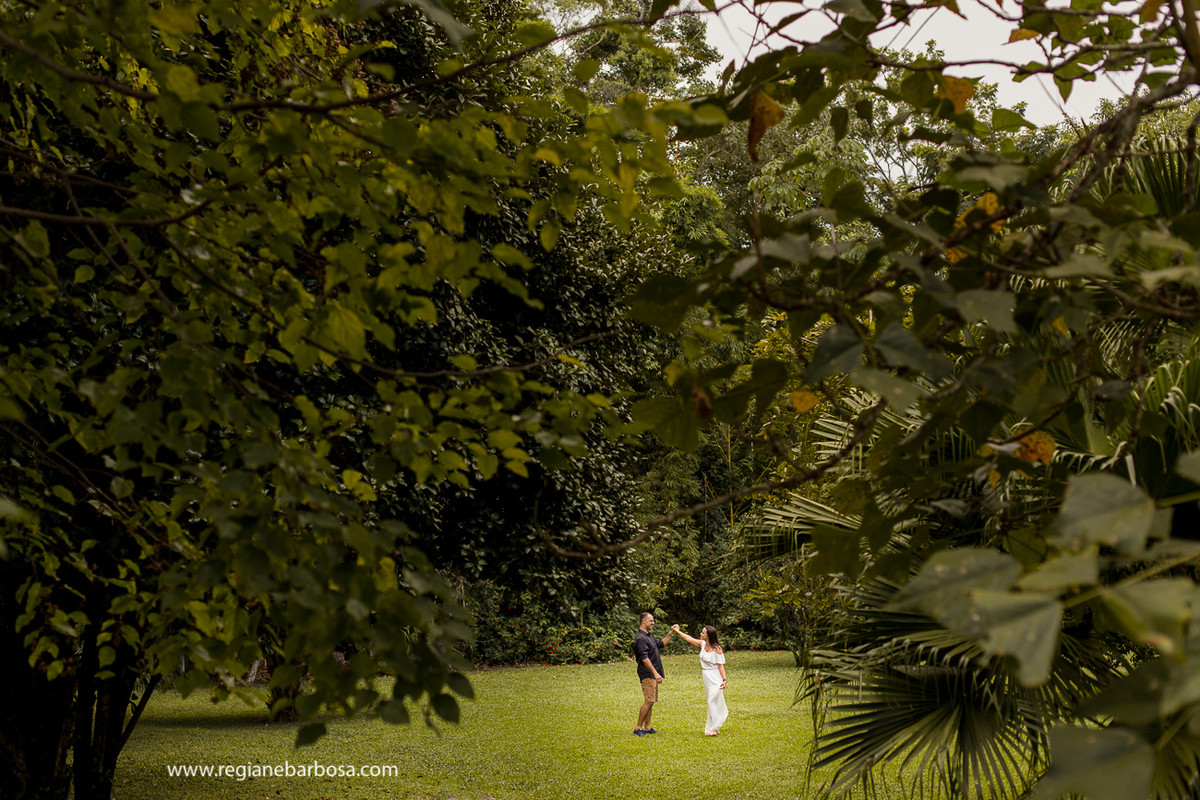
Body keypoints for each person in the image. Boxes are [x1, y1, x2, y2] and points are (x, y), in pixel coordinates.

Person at [672, 623, 728, 736]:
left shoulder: (717, 649)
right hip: (706, 676)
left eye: (703, 632)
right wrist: (677, 631)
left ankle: (714, 727)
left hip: (715, 677)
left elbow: (720, 665)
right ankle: (714, 727)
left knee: (711, 701)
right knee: (711, 702)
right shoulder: (702, 644)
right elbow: (688, 638)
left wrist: (724, 680)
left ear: (709, 635)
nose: (700, 634)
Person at [632, 612, 674, 736]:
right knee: (649, 701)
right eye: (651, 621)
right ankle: (638, 728)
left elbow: (661, 644)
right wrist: (655, 673)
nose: (653, 623)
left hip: (653, 673)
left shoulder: (648, 636)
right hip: (647, 674)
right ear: (643, 621)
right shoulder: (640, 639)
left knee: (651, 701)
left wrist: (671, 632)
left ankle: (647, 727)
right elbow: (644, 658)